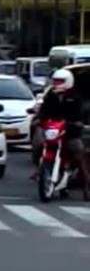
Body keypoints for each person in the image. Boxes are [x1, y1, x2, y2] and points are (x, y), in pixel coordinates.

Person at [34, 68, 89, 199]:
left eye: (60, 81)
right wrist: (40, 119)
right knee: (39, 146)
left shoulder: (75, 97)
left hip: (70, 132)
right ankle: (41, 172)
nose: (57, 84)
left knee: (79, 152)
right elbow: (43, 111)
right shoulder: (50, 96)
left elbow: (79, 113)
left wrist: (77, 122)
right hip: (53, 131)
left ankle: (87, 187)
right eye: (55, 81)